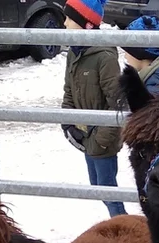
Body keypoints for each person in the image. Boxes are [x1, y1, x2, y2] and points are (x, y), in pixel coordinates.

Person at [60, 0, 126, 218]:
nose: (65, 23)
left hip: (101, 139)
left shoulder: (104, 57)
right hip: (86, 136)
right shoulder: (75, 52)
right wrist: (68, 123)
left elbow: (118, 104)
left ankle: (123, 228)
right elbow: (69, 90)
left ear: (86, 24)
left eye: (70, 18)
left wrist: (98, 140)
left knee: (107, 190)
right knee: (98, 185)